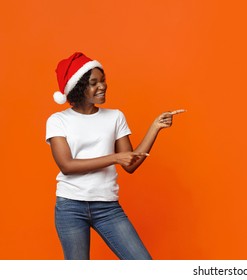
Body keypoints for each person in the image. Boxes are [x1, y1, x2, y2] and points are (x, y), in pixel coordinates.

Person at [46, 52, 184, 260]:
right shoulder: (58, 120)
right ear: (78, 88)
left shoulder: (115, 117)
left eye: (103, 81)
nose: (102, 86)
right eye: (94, 83)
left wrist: (155, 127)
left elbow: (130, 163)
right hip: (70, 206)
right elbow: (67, 165)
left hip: (107, 206)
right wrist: (114, 158)